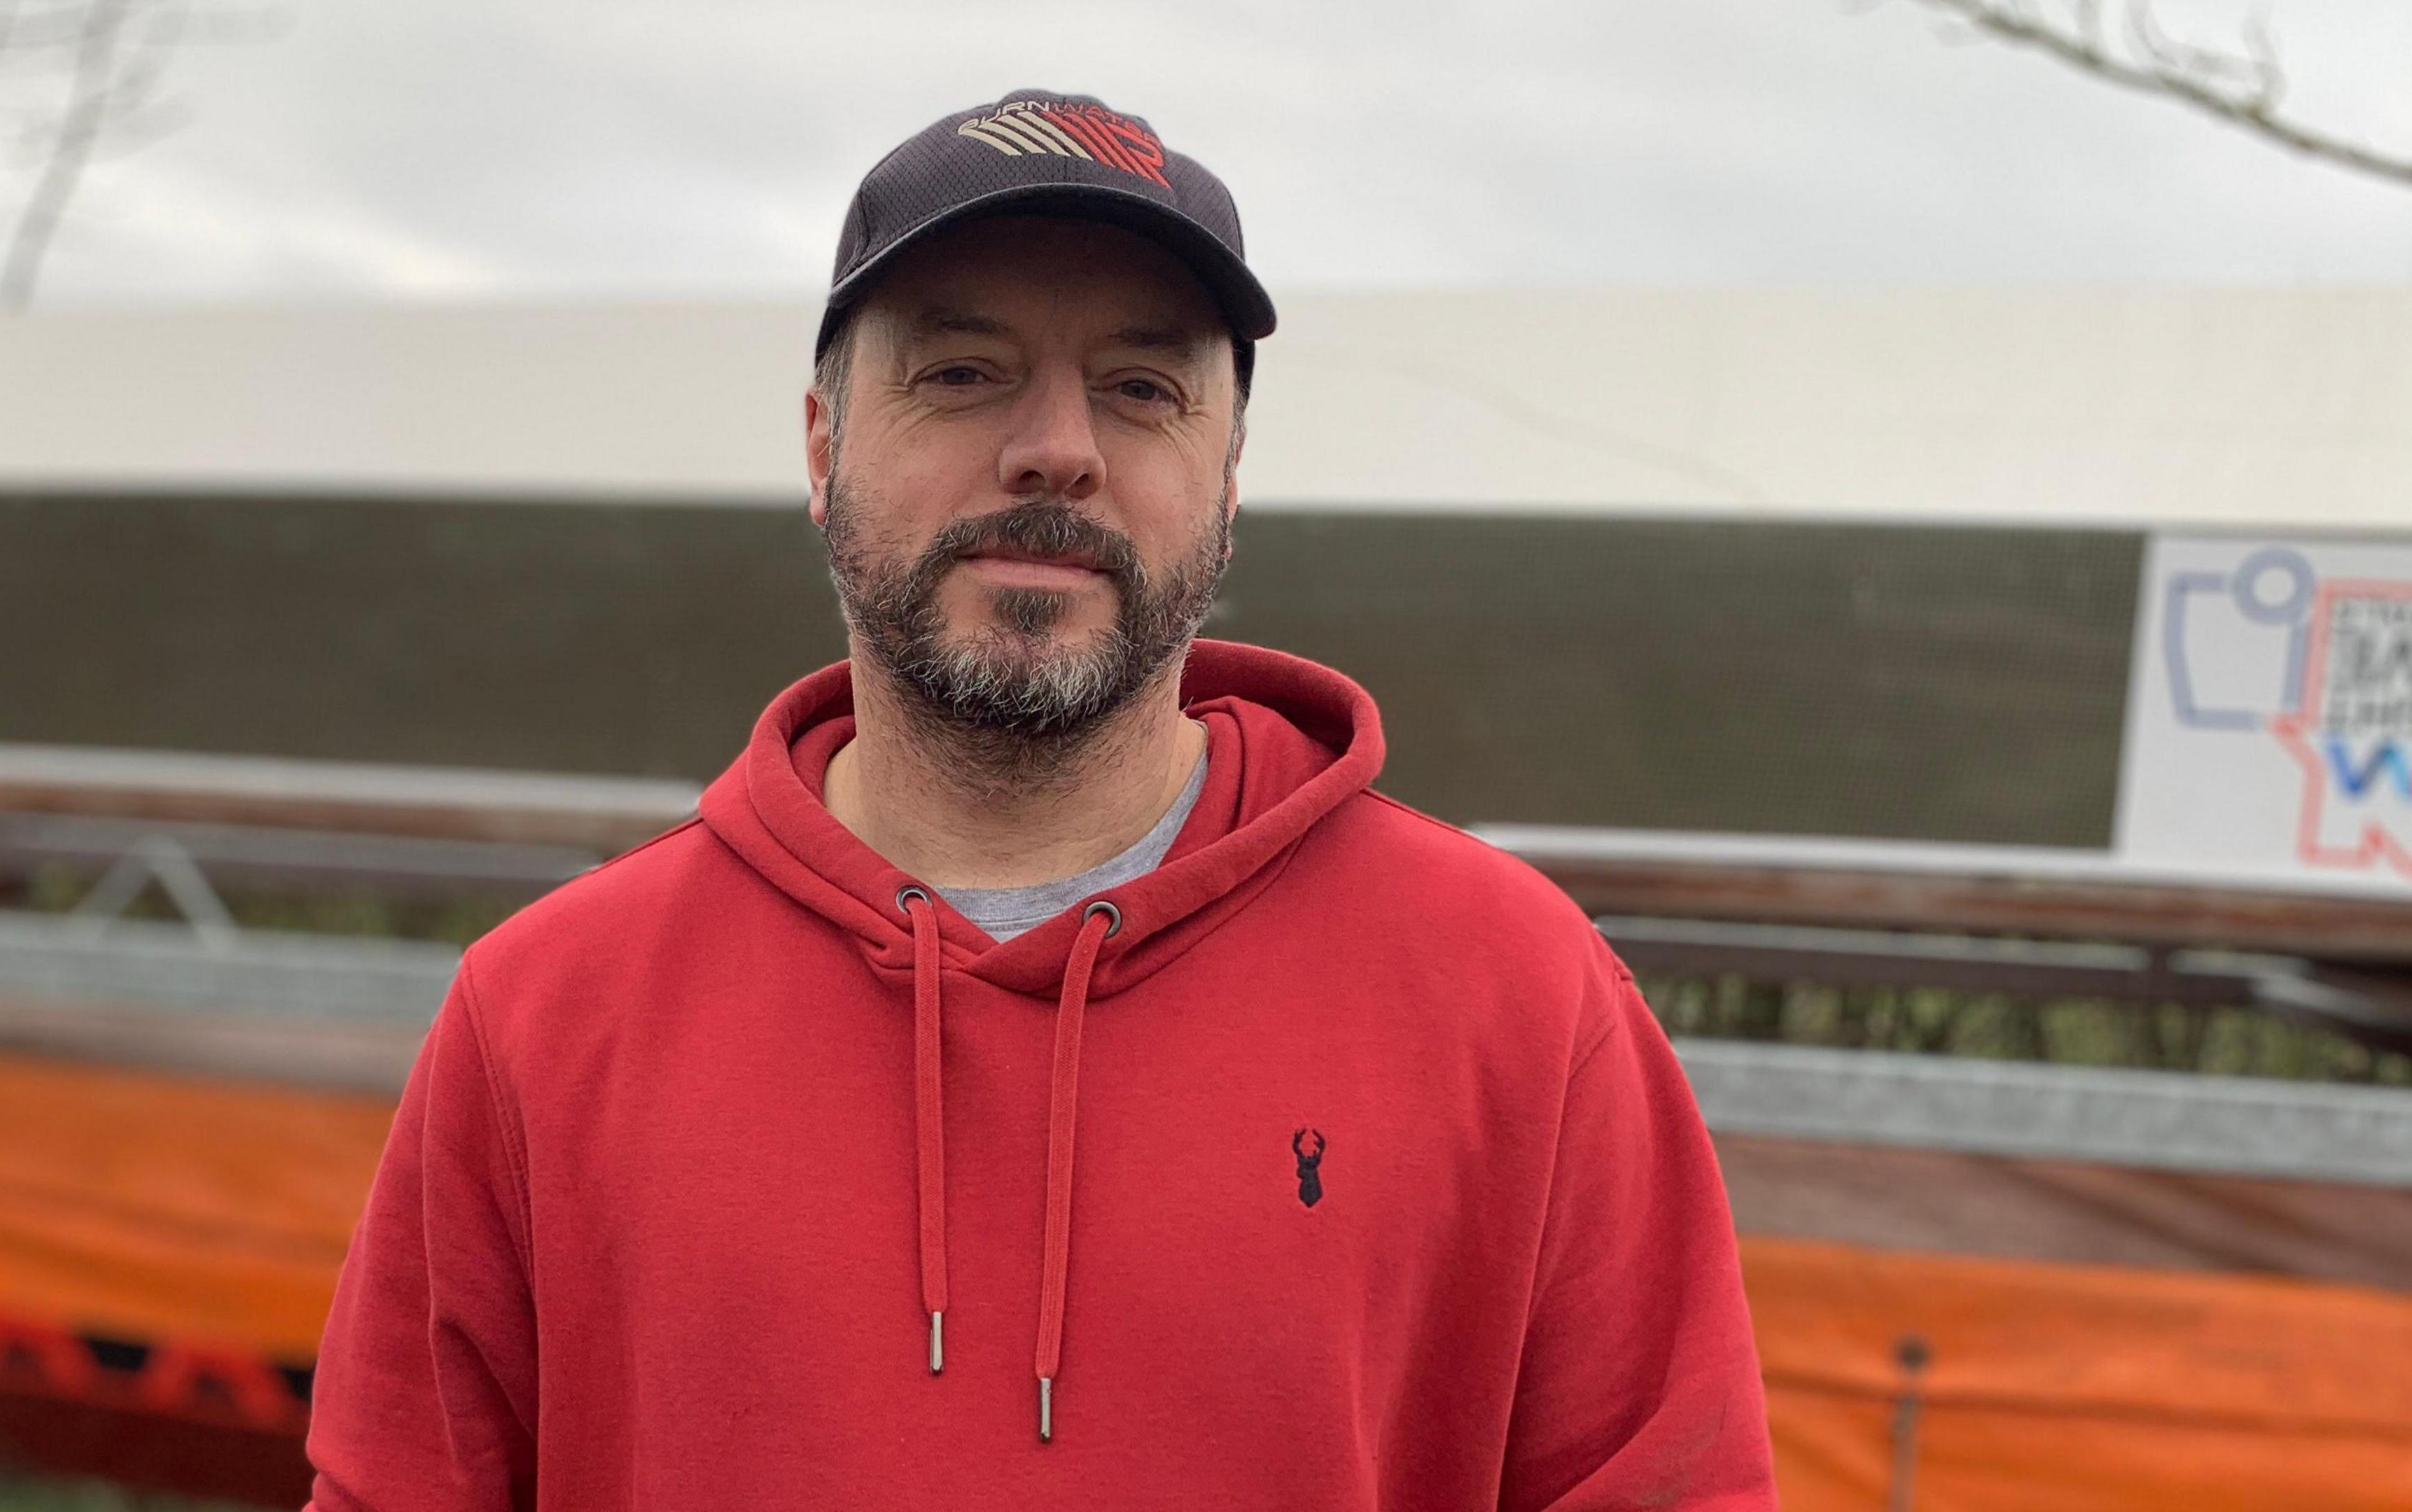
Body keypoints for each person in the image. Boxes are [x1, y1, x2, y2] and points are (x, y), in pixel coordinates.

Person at [305, 89, 1775, 1510]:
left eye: (1142, 388)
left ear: (1230, 474)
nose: (1057, 445)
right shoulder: (545, 1016)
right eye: (962, 372)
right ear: (822, 448)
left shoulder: (1516, 995)